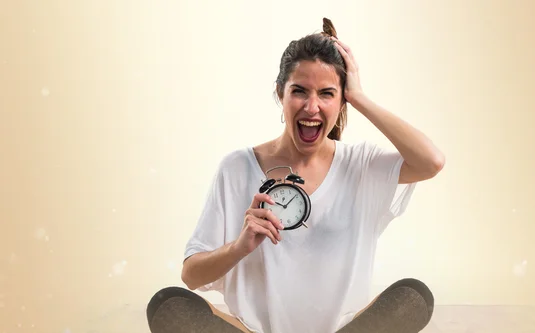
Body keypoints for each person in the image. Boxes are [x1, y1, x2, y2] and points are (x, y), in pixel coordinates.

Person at [146, 18, 445, 333]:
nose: (312, 107)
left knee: (413, 297)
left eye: (328, 93)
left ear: (342, 100)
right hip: (255, 330)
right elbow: (191, 276)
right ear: (280, 93)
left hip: (341, 329)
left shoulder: (361, 165)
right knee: (169, 305)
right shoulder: (236, 167)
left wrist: (359, 97)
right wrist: (239, 247)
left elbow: (431, 162)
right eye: (299, 91)